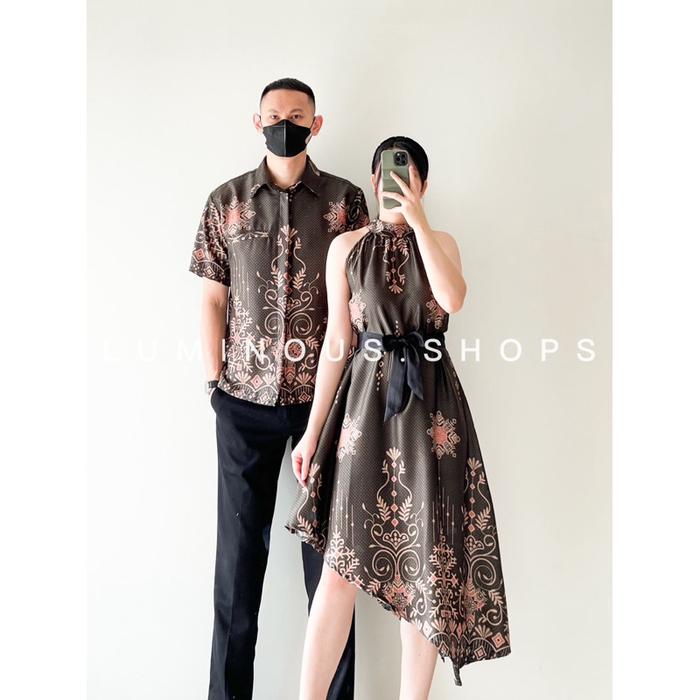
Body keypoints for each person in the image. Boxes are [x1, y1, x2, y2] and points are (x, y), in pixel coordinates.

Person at [285, 136, 512, 699]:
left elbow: (452, 299)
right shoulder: (345, 248)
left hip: (432, 414)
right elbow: (337, 343)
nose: (395, 184)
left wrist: (418, 221)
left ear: (423, 184)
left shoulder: (442, 242)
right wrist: (312, 433)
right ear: (372, 179)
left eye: (408, 176)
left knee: (424, 569)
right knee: (338, 570)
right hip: (364, 410)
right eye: (387, 174)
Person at [189, 77, 370, 700]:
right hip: (242, 403)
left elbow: (363, 305)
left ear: (316, 124)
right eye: (273, 115)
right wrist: (214, 385)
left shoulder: (346, 203)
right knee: (237, 568)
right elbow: (212, 300)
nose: (283, 124)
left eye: (296, 116)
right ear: (257, 122)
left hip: (329, 407)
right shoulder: (226, 202)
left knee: (333, 573)